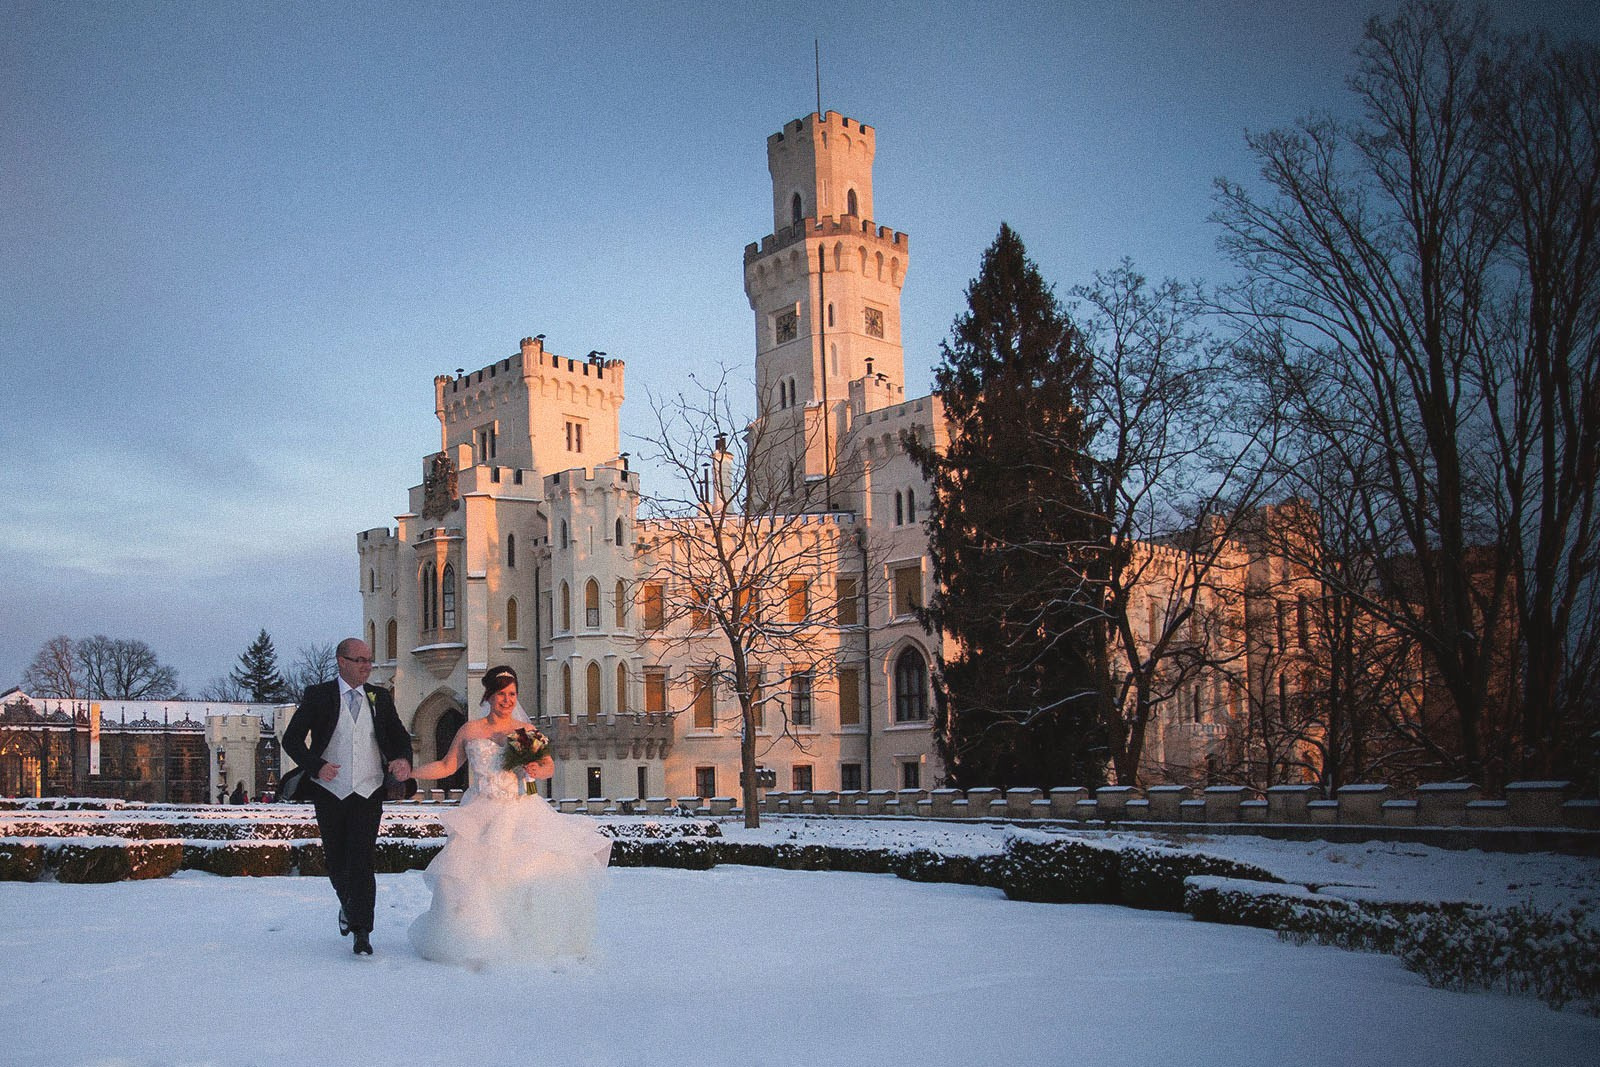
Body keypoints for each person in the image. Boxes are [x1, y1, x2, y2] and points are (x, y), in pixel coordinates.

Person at [401, 665, 610, 965]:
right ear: (488, 695)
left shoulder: (524, 732)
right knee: (464, 878)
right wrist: (413, 772)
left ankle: (521, 938)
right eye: (501, 694)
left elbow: (548, 765)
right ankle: (471, 937)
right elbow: (448, 766)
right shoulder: (471, 730)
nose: (508, 700)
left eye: (512, 694)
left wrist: (538, 769)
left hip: (518, 810)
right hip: (480, 811)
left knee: (523, 873)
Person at [281, 637, 413, 956]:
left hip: (369, 790)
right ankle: (348, 906)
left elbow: (399, 737)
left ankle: (362, 931)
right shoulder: (318, 696)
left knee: (362, 860)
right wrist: (317, 766)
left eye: (369, 659)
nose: (367, 665)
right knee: (337, 861)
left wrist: (403, 759)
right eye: (361, 660)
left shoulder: (380, 697)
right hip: (330, 792)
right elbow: (292, 740)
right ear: (342, 661)